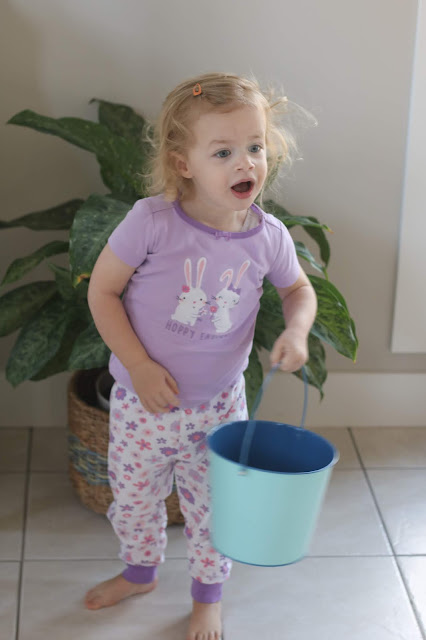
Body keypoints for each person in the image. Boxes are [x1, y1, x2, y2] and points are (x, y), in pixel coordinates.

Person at [84, 72, 317, 640]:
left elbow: (298, 289)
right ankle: (139, 573)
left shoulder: (268, 236)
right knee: (134, 501)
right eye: (223, 152)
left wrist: (298, 331)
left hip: (219, 407)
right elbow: (102, 292)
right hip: (143, 405)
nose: (246, 163)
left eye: (255, 146)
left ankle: (207, 595)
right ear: (182, 163)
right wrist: (139, 366)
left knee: (215, 511)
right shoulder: (152, 222)